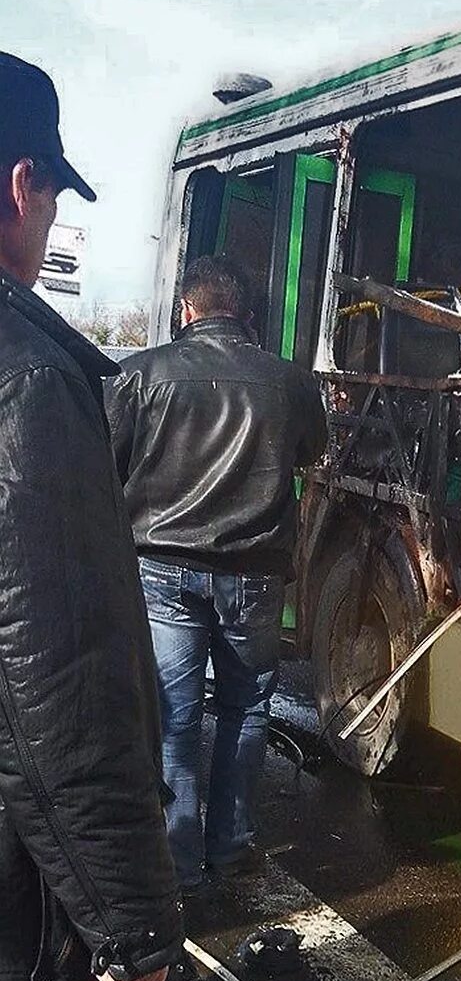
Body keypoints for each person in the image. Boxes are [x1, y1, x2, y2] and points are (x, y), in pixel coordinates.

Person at [0, 53, 183, 981]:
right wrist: (127, 919)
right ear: (23, 186)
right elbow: (53, 677)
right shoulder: (27, 379)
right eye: (53, 198)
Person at [105, 256, 325, 892]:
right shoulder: (290, 382)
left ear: (187, 311)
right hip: (254, 573)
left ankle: (177, 857)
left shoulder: (140, 375)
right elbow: (310, 453)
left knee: (173, 717)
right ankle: (229, 847)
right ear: (247, 317)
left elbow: (108, 462)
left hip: (164, 568)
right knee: (245, 710)